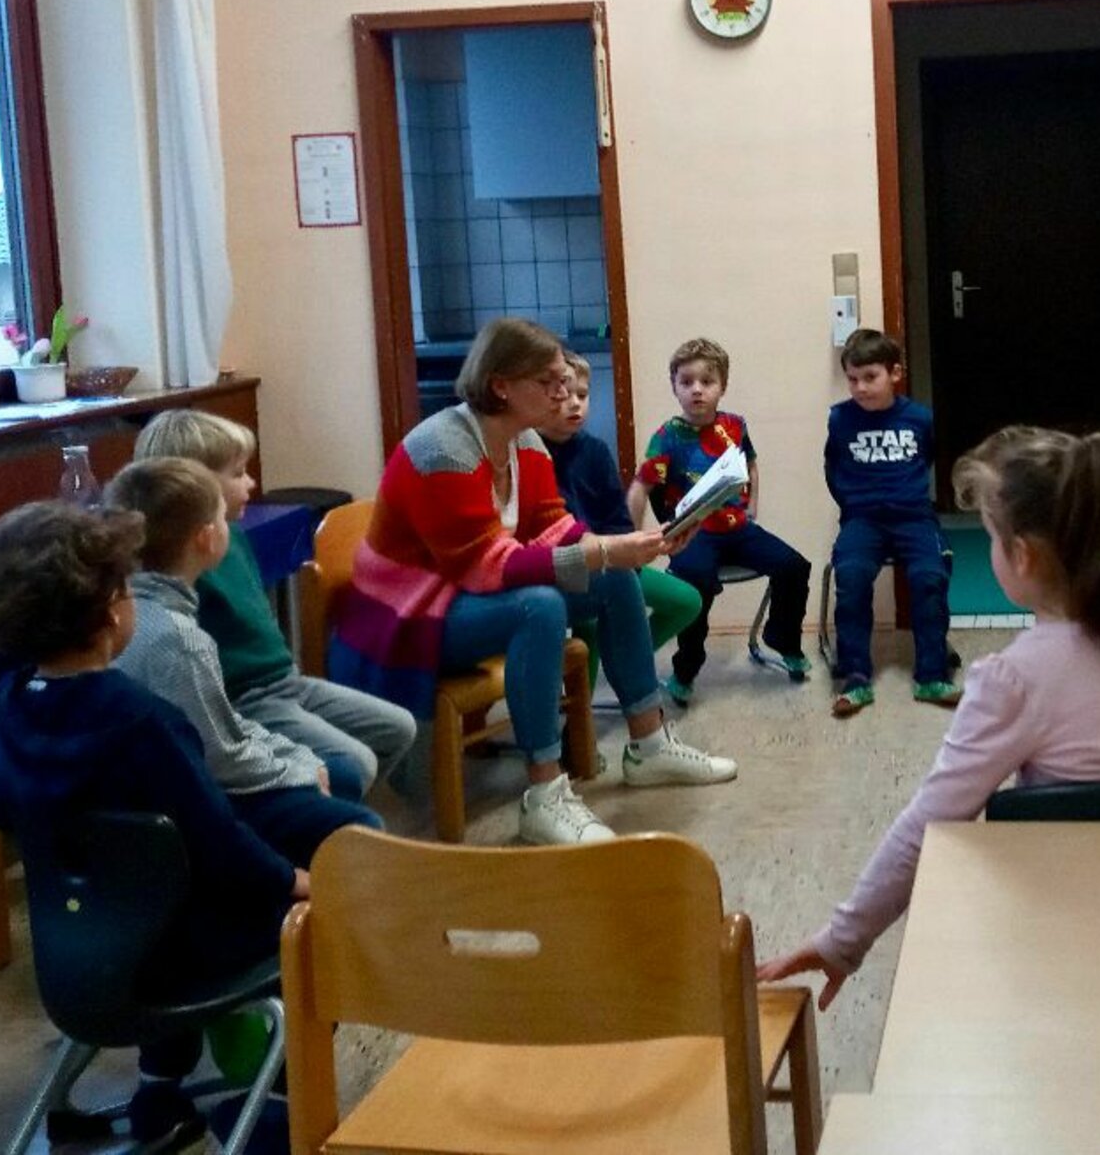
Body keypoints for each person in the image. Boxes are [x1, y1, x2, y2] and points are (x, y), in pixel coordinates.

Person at [755, 427, 1100, 1006]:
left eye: (992, 537)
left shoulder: (1011, 679)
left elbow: (930, 823)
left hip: (1054, 926)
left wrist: (843, 940)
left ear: (1023, 556)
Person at [0, 501, 304, 1151]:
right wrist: (294, 880)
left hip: (74, 954)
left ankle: (160, 1095)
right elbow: (220, 844)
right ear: (110, 613)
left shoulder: (6, 709)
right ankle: (280, 1103)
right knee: (308, 917)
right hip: (176, 959)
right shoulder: (141, 720)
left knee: (152, 889)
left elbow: (8, 815)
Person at [329, 318, 735, 848]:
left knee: (614, 579)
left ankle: (649, 745)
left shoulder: (526, 441)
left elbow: (552, 525)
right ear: (501, 385)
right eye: (549, 381)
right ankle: (544, 793)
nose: (564, 393)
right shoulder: (442, 448)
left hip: (462, 596)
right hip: (412, 615)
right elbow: (485, 567)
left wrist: (631, 546)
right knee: (538, 606)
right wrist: (604, 549)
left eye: (564, 379)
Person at [106, 458, 383, 869]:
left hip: (182, 780)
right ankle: (299, 886)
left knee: (336, 770)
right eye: (222, 517)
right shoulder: (180, 639)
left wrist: (297, 758)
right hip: (197, 804)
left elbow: (222, 723)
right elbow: (221, 759)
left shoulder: (128, 610)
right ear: (206, 538)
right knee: (361, 820)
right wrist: (299, 770)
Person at [133, 409, 416, 802]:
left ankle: (327, 809)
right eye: (237, 473)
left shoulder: (233, 537)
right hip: (246, 699)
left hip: (285, 681)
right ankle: (319, 819)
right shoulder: (184, 559)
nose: (251, 482)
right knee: (356, 762)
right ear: (195, 487)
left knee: (398, 727)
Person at [629, 337, 812, 703]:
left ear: (722, 386)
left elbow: (751, 465)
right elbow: (641, 486)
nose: (697, 390)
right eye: (686, 382)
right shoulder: (667, 437)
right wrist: (632, 538)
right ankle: (686, 668)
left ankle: (782, 639)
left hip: (737, 528)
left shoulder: (735, 425)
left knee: (795, 566)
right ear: (674, 387)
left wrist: (752, 506)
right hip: (695, 533)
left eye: (707, 381)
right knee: (694, 585)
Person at [823, 328, 957, 717]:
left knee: (929, 577)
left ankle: (932, 674)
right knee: (851, 577)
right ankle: (855, 677)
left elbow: (927, 457)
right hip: (863, 519)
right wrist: (853, 504)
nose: (861, 388)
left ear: (894, 373)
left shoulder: (919, 418)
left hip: (913, 516)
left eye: (870, 377)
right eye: (853, 379)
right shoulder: (840, 419)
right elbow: (833, 468)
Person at [539, 350, 704, 661]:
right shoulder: (531, 452)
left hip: (612, 561)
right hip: (564, 568)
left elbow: (617, 518)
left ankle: (623, 659)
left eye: (582, 395)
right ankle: (590, 689)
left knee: (687, 601)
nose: (575, 403)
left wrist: (634, 551)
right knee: (589, 623)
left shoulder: (596, 451)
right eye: (563, 396)